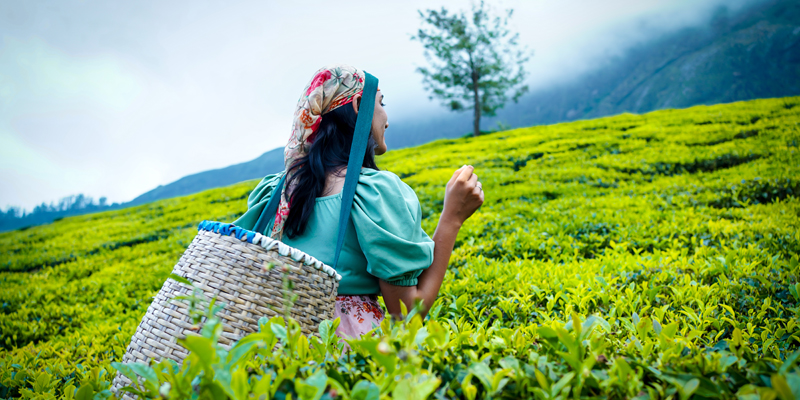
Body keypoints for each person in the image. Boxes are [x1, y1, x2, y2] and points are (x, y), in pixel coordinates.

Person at [233, 64, 483, 339]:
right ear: (359, 105)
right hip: (346, 356)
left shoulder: (274, 193)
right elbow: (407, 312)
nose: (386, 118)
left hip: (277, 352)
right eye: (381, 103)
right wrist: (452, 218)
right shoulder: (374, 193)